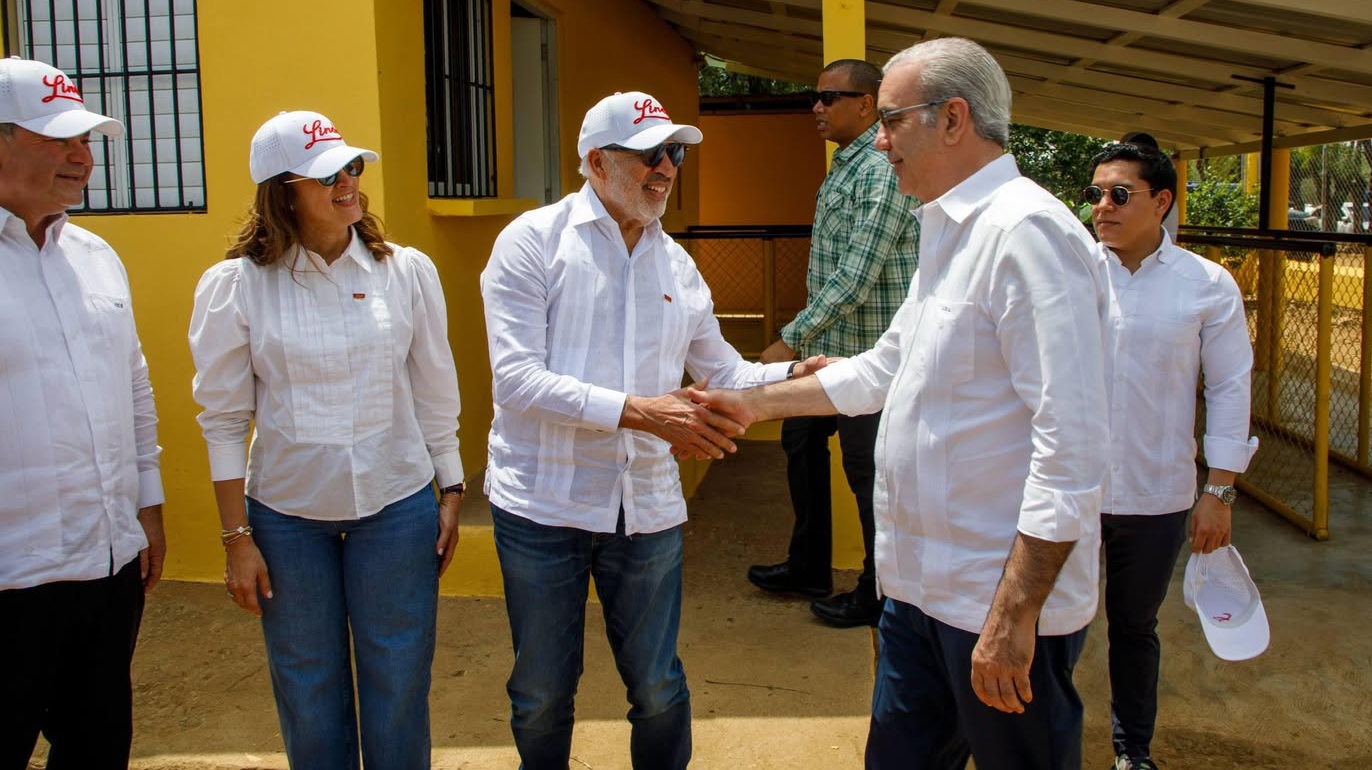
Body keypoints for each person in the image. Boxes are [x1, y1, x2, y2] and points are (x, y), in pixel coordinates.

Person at [691, 38, 1109, 770]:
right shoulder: (947, 230)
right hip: (916, 593)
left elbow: (1070, 445)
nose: (877, 139)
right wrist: (746, 402)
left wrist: (1014, 614)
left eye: (891, 120)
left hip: (992, 603)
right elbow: (881, 371)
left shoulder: (1026, 234)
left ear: (952, 119)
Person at [480, 90, 824, 770]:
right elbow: (516, 380)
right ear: (595, 163)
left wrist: (796, 377)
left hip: (646, 507)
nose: (666, 168)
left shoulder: (678, 266)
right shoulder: (532, 242)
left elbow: (721, 371)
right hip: (543, 505)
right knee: (543, 692)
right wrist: (641, 411)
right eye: (649, 155)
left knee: (658, 684)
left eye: (675, 154)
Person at [188, 110, 464, 769]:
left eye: (352, 168)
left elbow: (433, 384)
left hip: (396, 506)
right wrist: (237, 539)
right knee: (307, 682)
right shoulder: (238, 286)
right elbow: (223, 419)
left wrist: (448, 484)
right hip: (287, 519)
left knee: (398, 678)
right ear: (282, 191)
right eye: (326, 174)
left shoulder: (405, 271)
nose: (347, 182)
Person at [0, 56, 166, 768]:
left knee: (98, 746)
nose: (82, 157)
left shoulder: (96, 256)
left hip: (106, 565)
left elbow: (132, 383)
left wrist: (147, 504)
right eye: (57, 137)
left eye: (87, 139)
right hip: (10, 576)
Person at [1084, 139, 1258, 770]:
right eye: (1096, 193)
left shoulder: (1206, 286)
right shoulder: (1071, 273)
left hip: (1156, 494)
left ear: (1161, 202)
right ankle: (1030, 742)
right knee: (1050, 623)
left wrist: (1219, 491)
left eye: (1119, 194)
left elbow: (1231, 386)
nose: (1102, 206)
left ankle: (1133, 752)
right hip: (1067, 488)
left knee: (1133, 627)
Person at [748, 59, 918, 628]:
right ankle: (808, 564)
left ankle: (878, 591)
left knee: (868, 474)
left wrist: (787, 340)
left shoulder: (879, 170)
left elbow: (856, 273)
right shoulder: (847, 166)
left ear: (866, 104)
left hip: (869, 358)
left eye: (828, 97)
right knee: (799, 442)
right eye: (814, 97)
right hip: (826, 350)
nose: (816, 108)